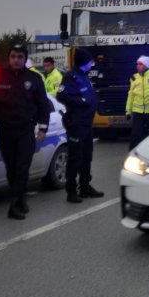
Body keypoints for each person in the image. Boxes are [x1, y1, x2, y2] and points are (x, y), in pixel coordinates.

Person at [0, 45, 50, 220]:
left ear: (25, 59)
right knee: (11, 169)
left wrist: (43, 128)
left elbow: (43, 105)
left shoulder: (33, 78)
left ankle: (14, 206)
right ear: (8, 58)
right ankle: (20, 199)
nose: (16, 59)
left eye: (20, 57)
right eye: (13, 56)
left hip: (25, 130)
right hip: (5, 129)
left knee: (22, 168)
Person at [56, 49, 102, 203]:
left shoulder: (84, 76)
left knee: (86, 156)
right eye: (90, 61)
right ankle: (71, 191)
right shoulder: (71, 77)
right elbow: (61, 95)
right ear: (84, 61)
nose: (92, 63)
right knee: (75, 158)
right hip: (76, 123)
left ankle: (85, 186)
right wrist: (82, 102)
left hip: (87, 124)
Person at [126, 55, 149, 150]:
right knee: (135, 134)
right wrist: (128, 111)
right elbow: (131, 95)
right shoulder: (134, 78)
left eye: (140, 64)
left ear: (146, 65)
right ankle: (132, 153)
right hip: (138, 112)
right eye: (137, 64)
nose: (138, 66)